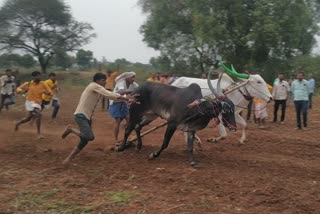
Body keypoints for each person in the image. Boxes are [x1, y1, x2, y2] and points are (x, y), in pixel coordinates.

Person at [61, 73, 134, 164]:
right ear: (97, 80)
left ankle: (69, 159)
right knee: (89, 137)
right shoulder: (94, 86)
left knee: (84, 141)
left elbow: (110, 95)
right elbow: (109, 94)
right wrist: (127, 99)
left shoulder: (96, 87)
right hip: (81, 115)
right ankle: (71, 129)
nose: (105, 82)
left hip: (87, 116)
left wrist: (124, 98)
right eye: (103, 80)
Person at [15, 71, 52, 139]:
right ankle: (38, 133)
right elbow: (18, 89)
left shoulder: (43, 83)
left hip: (38, 103)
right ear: (33, 77)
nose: (39, 77)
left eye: (40, 76)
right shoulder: (28, 83)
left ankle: (18, 123)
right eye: (37, 76)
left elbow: (49, 91)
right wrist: (21, 91)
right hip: (29, 102)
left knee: (28, 118)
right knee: (39, 114)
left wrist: (47, 92)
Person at [109, 71, 139, 145]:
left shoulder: (134, 84)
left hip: (123, 102)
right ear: (127, 78)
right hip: (115, 102)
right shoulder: (121, 82)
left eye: (134, 77)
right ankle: (116, 140)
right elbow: (121, 92)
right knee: (118, 120)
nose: (133, 79)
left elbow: (139, 89)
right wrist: (133, 91)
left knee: (129, 119)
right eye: (132, 77)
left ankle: (129, 136)